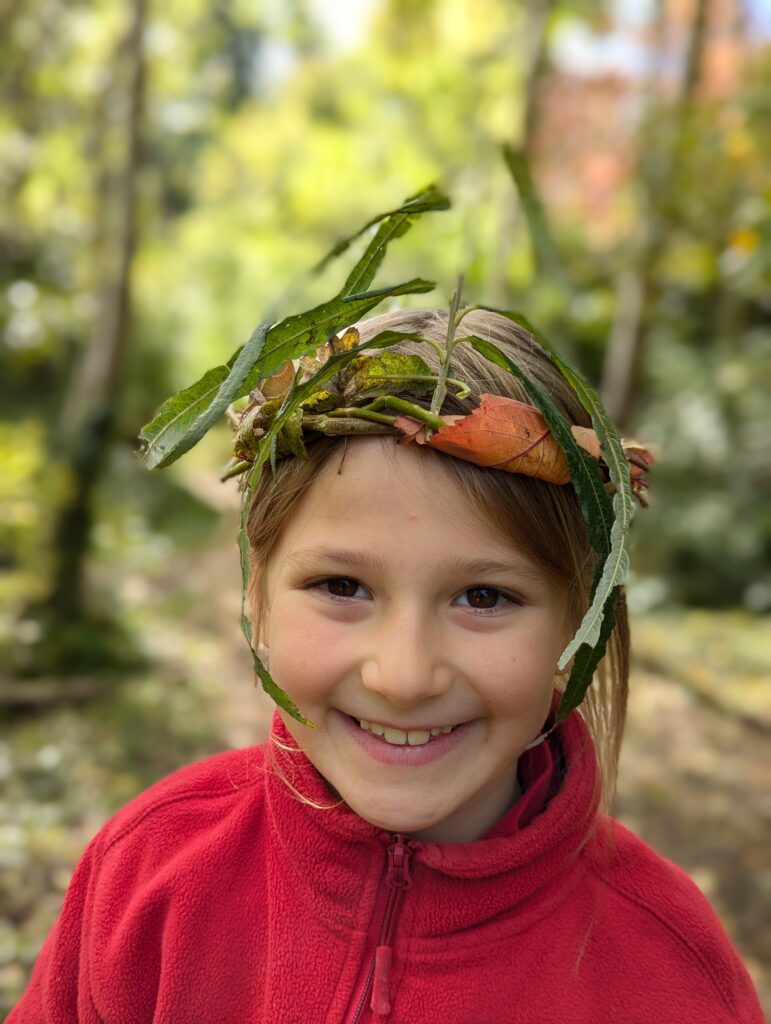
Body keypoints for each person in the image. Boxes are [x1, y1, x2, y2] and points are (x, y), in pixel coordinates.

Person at [9, 308, 763, 1023]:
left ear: (579, 622)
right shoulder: (147, 875)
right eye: (342, 586)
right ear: (257, 599)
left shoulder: (669, 971)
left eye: (483, 596)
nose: (403, 676)